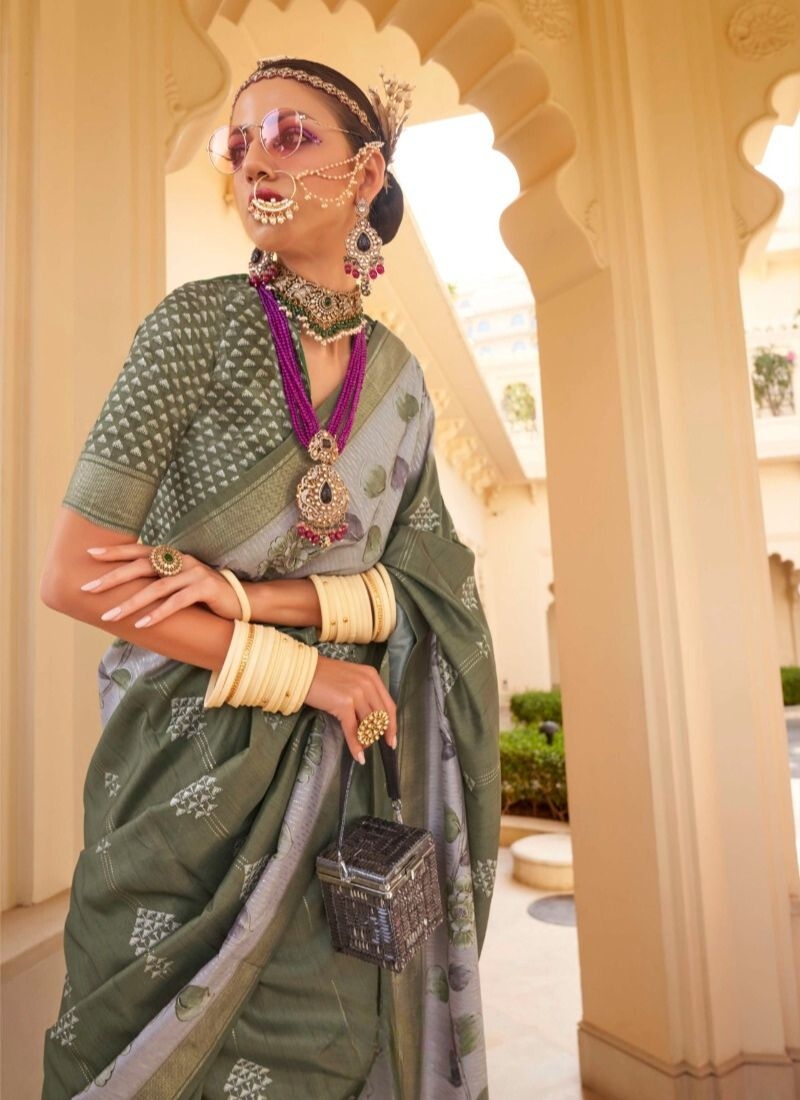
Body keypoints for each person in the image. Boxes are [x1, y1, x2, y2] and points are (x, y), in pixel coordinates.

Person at [39, 56, 501, 1100]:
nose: (253, 159)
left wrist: (248, 597)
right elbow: (74, 576)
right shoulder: (190, 328)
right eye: (237, 140)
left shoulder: (400, 378)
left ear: (364, 170)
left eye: (290, 135)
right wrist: (307, 673)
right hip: (184, 756)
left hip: (348, 774)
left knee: (324, 1044)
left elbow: (422, 590)